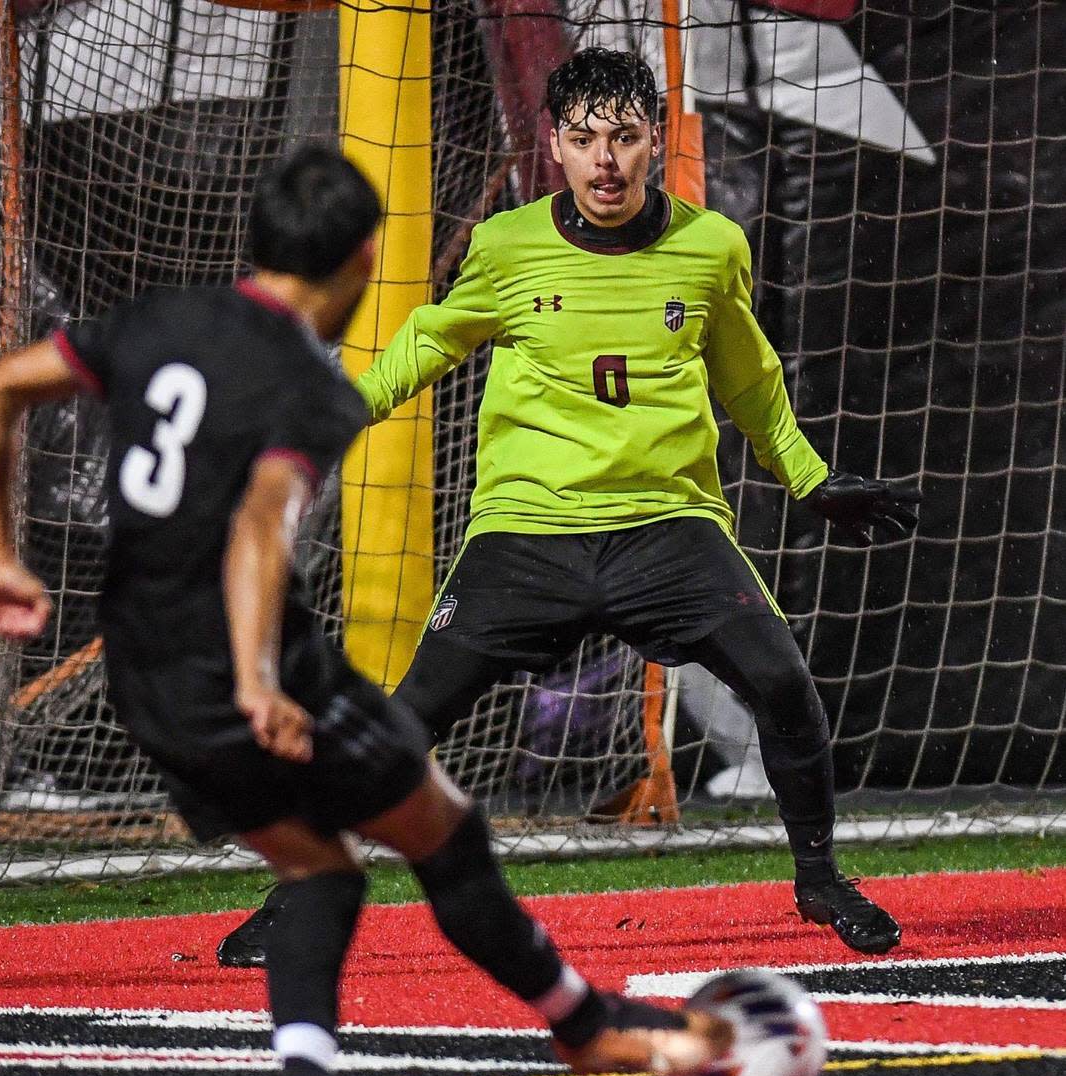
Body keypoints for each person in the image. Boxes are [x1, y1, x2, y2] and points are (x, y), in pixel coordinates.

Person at [0, 143, 739, 1076]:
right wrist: (257, 679)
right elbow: (257, 529)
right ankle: (586, 1024)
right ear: (365, 258)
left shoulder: (162, 322)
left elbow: (1, 384)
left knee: (318, 864)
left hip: (147, 681)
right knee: (445, 831)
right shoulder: (309, 387)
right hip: (258, 670)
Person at [218, 48, 920, 972]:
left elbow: (748, 377)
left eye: (625, 138)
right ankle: (302, 890)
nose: (605, 162)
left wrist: (809, 477)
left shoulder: (712, 249)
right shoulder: (507, 247)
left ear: (652, 141)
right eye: (584, 139)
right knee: (409, 718)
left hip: (670, 530)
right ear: (554, 143)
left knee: (784, 682)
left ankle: (821, 879)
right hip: (527, 535)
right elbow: (428, 343)